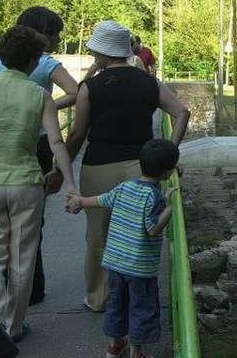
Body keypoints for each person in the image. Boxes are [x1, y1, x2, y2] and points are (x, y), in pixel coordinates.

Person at [0, 25, 78, 358]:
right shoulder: (38, 95)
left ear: (2, 55)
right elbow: (56, 142)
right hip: (26, 184)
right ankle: (13, 328)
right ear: (32, 62)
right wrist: (69, 183)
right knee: (21, 256)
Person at [64, 20, 189, 312]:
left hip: (98, 168)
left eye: (96, 51)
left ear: (104, 54)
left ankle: (98, 298)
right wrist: (168, 153)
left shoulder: (89, 88)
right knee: (140, 233)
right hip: (140, 168)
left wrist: (63, 167)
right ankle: (135, 297)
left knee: (97, 236)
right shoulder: (149, 82)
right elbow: (182, 113)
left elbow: (78, 133)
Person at [0, 5, 79, 305]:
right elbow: (75, 92)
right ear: (42, 33)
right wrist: (46, 109)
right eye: (54, 34)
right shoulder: (45, 62)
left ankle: (3, 291)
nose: (55, 41)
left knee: (3, 222)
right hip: (36, 143)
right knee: (31, 220)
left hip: (1, 143)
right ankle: (32, 289)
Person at [66, 139, 178, 358]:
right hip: (139, 268)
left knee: (116, 305)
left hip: (115, 263)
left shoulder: (125, 187)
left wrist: (80, 201)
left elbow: (101, 200)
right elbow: (152, 228)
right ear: (167, 172)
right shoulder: (154, 196)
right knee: (141, 309)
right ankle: (136, 353)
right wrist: (170, 208)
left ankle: (114, 345)